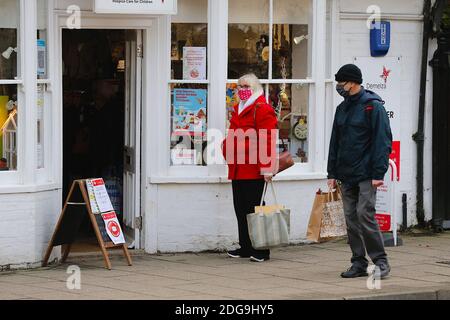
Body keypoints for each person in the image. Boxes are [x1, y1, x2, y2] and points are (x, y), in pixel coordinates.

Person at [327, 64, 393, 279]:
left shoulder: (373, 107)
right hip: (346, 174)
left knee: (365, 216)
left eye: (341, 82)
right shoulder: (342, 108)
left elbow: (383, 142)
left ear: (353, 82)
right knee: (351, 220)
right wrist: (331, 173)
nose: (339, 86)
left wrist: (378, 173)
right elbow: (335, 143)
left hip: (366, 174)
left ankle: (381, 262)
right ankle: (358, 262)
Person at [222, 73, 278, 262]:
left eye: (246, 86)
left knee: (254, 210)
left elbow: (268, 138)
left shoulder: (262, 108)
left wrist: (268, 167)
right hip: (238, 167)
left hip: (254, 168)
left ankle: (261, 249)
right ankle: (245, 246)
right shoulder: (239, 108)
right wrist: (225, 147)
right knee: (241, 209)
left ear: (254, 88)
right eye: (239, 86)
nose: (242, 89)